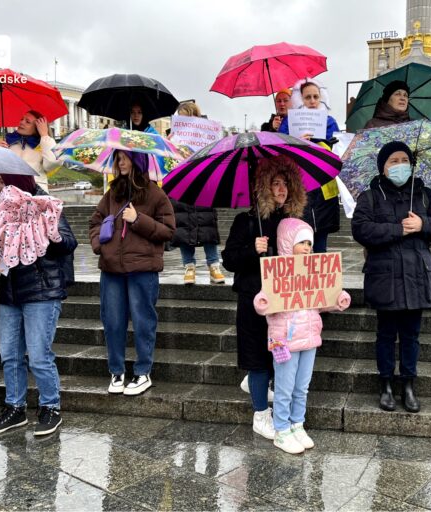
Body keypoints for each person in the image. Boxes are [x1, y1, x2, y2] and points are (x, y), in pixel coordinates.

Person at [351, 141, 431, 413]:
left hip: (417, 275)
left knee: (411, 335)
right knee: (385, 334)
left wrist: (423, 224)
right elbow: (361, 229)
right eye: (393, 161)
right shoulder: (370, 196)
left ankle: (408, 384)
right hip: (385, 277)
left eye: (403, 159)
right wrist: (398, 230)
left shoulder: (425, 194)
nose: (399, 165)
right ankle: (385, 384)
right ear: (383, 167)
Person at [0, 174, 77, 436]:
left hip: (42, 290)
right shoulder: (3, 213)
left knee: (38, 355)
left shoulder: (45, 205)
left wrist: (48, 231)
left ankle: (51, 407)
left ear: (17, 181)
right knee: (10, 355)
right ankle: (15, 408)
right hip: (10, 293)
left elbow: (69, 243)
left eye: (3, 182)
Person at [221, 155, 307, 439]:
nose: (281, 190)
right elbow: (229, 260)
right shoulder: (246, 222)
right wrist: (251, 249)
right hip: (253, 300)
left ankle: (261, 387)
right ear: (263, 188)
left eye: (285, 184)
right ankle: (261, 414)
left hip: (284, 302)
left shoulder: (294, 223)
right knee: (257, 358)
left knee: (277, 356)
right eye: (275, 184)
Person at [254, 218, 351, 454]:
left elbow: (323, 299)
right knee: (284, 388)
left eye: (310, 243)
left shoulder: (313, 273)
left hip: (309, 338)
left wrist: (338, 299)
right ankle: (282, 429)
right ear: (288, 244)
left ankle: (297, 424)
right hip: (285, 341)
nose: (308, 247)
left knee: (302, 387)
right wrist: (263, 302)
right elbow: (263, 302)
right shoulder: (276, 272)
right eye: (302, 243)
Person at [89, 150, 175, 396]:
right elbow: (95, 222)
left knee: (143, 321)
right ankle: (116, 371)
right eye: (118, 158)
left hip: (142, 270)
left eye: (125, 157)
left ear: (137, 160)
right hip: (111, 269)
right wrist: (100, 247)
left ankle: (143, 372)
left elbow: (168, 231)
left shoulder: (156, 194)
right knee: (112, 321)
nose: (120, 162)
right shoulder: (112, 193)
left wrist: (138, 219)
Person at [278, 80, 340, 253]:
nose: (312, 101)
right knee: (297, 241)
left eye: (315, 97)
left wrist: (324, 146)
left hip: (323, 188)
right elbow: (278, 151)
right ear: (300, 100)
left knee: (320, 243)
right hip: (299, 187)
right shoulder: (289, 122)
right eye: (307, 97)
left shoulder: (330, 122)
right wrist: (296, 144)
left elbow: (339, 153)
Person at [170, 102, 225, 285]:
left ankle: (213, 264)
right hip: (181, 184)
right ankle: (189, 266)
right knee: (183, 225)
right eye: (180, 117)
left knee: (207, 224)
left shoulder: (207, 134)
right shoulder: (173, 136)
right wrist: (169, 144)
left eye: (187, 116)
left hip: (203, 183)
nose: (183, 121)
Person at [0, 110, 60, 194]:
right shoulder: (5, 142)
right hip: (3, 197)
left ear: (37, 127)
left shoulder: (44, 145)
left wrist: (44, 135)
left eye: (27, 122)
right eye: (21, 119)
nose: (21, 122)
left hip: (32, 197)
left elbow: (52, 164)